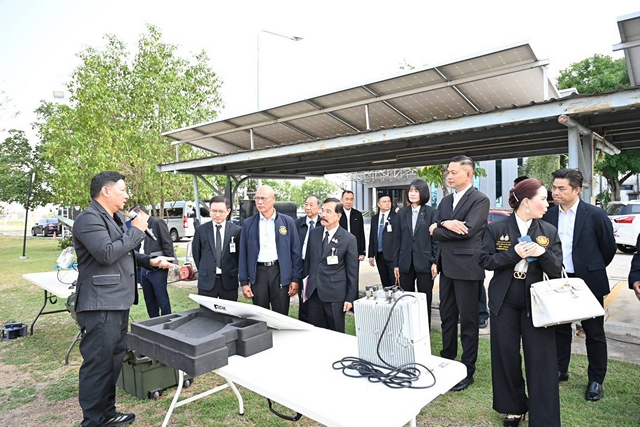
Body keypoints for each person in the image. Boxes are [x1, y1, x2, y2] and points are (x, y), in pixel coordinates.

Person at [73, 172, 176, 427]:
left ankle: (107, 413)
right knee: (98, 363)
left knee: (113, 360)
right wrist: (137, 230)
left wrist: (151, 261)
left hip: (118, 301)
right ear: (106, 191)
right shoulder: (88, 219)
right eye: (122, 190)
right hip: (100, 304)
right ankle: (93, 421)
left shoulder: (114, 218)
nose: (127, 195)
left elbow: (124, 253)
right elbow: (106, 253)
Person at [480, 179, 563, 427]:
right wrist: (513, 254)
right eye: (542, 199)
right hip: (504, 298)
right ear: (526, 202)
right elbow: (485, 261)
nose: (547, 204)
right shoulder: (497, 229)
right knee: (505, 355)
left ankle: (544, 418)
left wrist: (542, 253)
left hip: (537, 300)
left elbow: (557, 268)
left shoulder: (548, 231)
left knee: (541, 359)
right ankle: (513, 408)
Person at [542, 168, 616, 402]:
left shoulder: (595, 215)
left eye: (561, 188)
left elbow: (608, 248)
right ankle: (560, 369)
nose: (555, 192)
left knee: (594, 332)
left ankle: (596, 380)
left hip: (588, 282)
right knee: (560, 329)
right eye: (554, 187)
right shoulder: (548, 215)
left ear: (576, 190)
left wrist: (591, 267)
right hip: (558, 279)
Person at [429, 155, 489, 391]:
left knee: (469, 321)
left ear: (469, 174)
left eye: (454, 172)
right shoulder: (445, 201)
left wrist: (439, 227)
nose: (449, 176)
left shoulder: (479, 199)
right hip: (446, 268)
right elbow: (433, 228)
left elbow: (467, 231)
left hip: (467, 268)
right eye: (448, 172)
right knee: (447, 316)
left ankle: (467, 369)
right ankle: (447, 358)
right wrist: (445, 224)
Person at [239, 185, 302, 315]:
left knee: (281, 314)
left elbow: (295, 251)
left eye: (264, 198)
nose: (260, 202)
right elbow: (243, 254)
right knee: (261, 314)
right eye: (257, 198)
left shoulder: (287, 222)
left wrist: (295, 278)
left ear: (273, 199)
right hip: (259, 273)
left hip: (279, 272)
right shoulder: (249, 223)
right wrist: (244, 282)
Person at [303, 198, 358, 332]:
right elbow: (308, 262)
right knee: (316, 332)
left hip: (335, 295)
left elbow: (352, 272)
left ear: (338, 216)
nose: (323, 215)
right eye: (322, 211)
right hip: (314, 293)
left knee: (336, 333)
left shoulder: (348, 239)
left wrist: (350, 298)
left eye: (328, 212)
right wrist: (305, 288)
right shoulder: (314, 233)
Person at [393, 180, 439, 324]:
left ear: (423, 193)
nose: (412, 194)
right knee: (406, 298)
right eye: (411, 191)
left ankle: (424, 329)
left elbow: (436, 240)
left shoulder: (432, 212)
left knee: (424, 298)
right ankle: (408, 327)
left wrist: (435, 262)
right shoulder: (402, 213)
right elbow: (397, 239)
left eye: (416, 191)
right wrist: (396, 264)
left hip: (425, 262)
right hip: (405, 262)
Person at [192, 196, 241, 301]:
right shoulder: (201, 230)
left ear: (228, 211)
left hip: (229, 280)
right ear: (209, 210)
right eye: (214, 211)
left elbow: (239, 255)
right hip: (207, 280)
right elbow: (196, 253)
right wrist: (204, 270)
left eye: (221, 211)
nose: (217, 214)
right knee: (206, 311)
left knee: (229, 310)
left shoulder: (236, 230)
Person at [133, 205, 175, 318]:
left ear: (140, 213)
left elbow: (167, 242)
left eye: (134, 216)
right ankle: (153, 321)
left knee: (161, 297)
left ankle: (167, 320)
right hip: (144, 266)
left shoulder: (157, 223)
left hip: (158, 266)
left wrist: (170, 262)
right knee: (149, 299)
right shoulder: (138, 228)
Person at [295, 195, 321, 322]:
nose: (308, 207)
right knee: (303, 297)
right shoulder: (297, 224)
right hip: (301, 264)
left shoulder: (323, 223)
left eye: (311, 205)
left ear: (319, 208)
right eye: (306, 204)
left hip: (317, 266)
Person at [368, 194, 396, 288]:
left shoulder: (396, 217)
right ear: (378, 204)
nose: (387, 203)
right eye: (384, 202)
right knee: (384, 280)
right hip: (379, 255)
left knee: (394, 281)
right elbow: (372, 237)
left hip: (392, 255)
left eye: (389, 201)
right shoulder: (374, 218)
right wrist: (371, 255)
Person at [339, 190, 366, 261]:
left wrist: (362, 251)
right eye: (347, 199)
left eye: (351, 199)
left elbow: (361, 233)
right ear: (341, 200)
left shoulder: (358, 214)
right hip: (340, 248)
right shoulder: (337, 214)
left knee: (354, 267)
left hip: (354, 248)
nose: (349, 202)